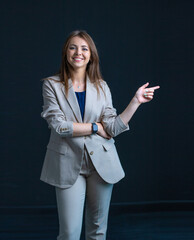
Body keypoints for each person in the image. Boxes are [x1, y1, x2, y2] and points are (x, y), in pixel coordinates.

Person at [40, 30, 160, 240]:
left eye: (84, 48)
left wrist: (136, 101)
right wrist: (96, 127)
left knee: (98, 231)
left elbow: (112, 128)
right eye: (73, 47)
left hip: (101, 164)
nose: (79, 52)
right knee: (69, 233)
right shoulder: (52, 84)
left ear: (91, 55)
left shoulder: (101, 87)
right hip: (67, 163)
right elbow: (59, 126)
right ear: (66, 52)